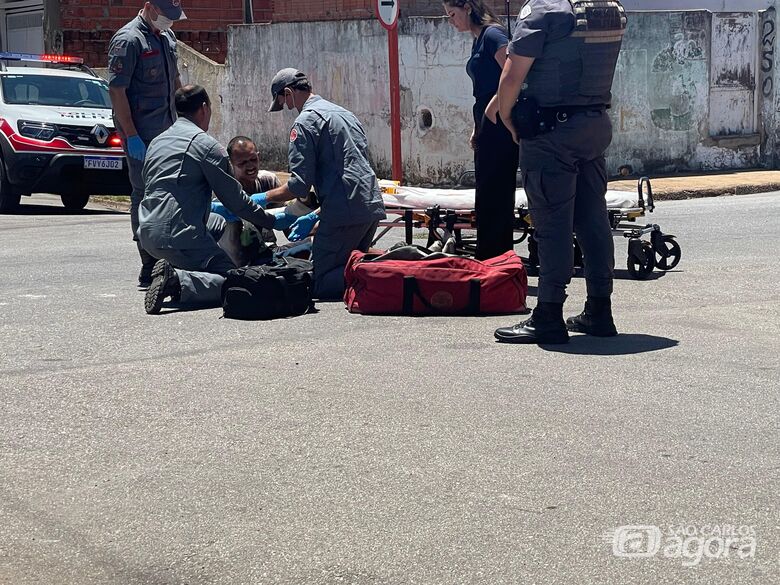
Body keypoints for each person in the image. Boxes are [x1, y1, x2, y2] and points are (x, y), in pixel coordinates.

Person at [493, 0, 626, 344]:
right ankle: (600, 309)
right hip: (594, 124)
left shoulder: (543, 11)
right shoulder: (608, 7)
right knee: (592, 218)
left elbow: (512, 75)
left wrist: (506, 115)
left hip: (551, 130)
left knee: (552, 223)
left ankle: (548, 314)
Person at [138, 85, 295, 314]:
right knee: (236, 281)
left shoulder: (157, 142)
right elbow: (237, 202)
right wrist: (272, 221)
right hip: (177, 236)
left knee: (217, 222)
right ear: (204, 108)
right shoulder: (206, 146)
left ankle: (181, 264)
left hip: (147, 233)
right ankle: (178, 280)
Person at [262, 68, 386, 300]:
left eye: (283, 102)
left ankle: (389, 275)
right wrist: (316, 213)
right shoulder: (345, 114)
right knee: (352, 265)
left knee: (321, 279)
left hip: (343, 213)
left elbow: (299, 186)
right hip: (370, 205)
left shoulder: (304, 123)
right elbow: (350, 171)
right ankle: (394, 272)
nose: (287, 109)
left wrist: (264, 198)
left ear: (288, 92)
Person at [108, 1, 186, 288]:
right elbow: (117, 91)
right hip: (141, 134)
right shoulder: (128, 40)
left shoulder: (167, 37)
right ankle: (148, 262)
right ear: (150, 7)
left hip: (169, 130)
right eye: (166, 16)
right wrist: (131, 135)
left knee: (171, 192)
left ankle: (168, 255)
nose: (169, 22)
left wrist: (186, 117)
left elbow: (175, 80)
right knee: (144, 194)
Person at [443, 0, 518, 260]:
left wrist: (493, 110)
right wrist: (478, 126)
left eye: (453, 13)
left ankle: (498, 259)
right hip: (486, 122)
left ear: (468, 7)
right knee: (486, 192)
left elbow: (515, 74)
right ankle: (489, 256)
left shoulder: (493, 34)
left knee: (496, 192)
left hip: (498, 122)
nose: (451, 20)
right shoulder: (478, 39)